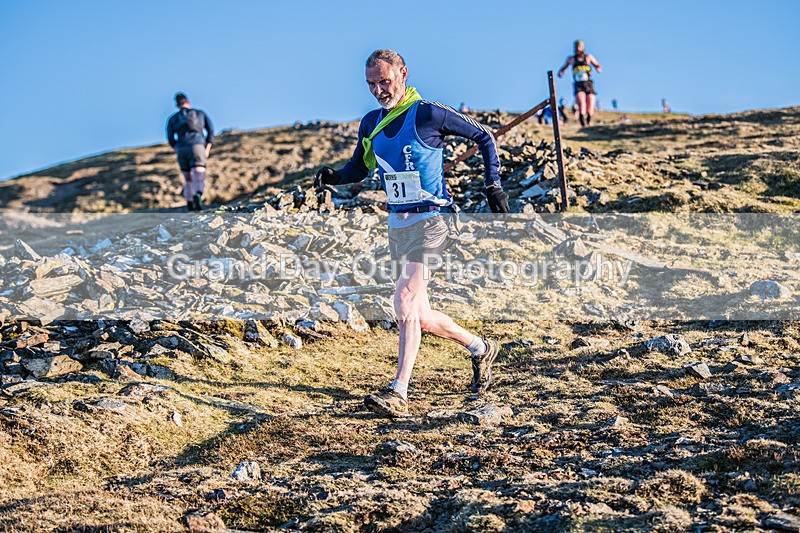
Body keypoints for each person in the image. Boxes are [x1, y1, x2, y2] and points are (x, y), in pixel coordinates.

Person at [314, 49, 509, 418]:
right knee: (418, 315)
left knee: (403, 299)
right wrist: (334, 177)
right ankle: (480, 347)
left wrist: (493, 185)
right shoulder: (371, 122)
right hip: (398, 223)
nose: (378, 90)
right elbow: (360, 166)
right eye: (371, 84)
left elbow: (484, 136)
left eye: (384, 82)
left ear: (403, 73)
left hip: (434, 220)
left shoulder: (427, 113)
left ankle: (398, 392)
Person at [166, 92, 214, 211]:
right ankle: (198, 195)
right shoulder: (200, 113)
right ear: (188, 102)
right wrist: (207, 147)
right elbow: (211, 130)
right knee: (198, 176)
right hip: (197, 146)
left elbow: (170, 138)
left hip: (182, 148)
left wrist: (176, 148)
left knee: (188, 179)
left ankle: (189, 203)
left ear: (177, 105)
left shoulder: (172, 118)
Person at [558, 40, 602, 127]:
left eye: (579, 46)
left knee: (590, 108)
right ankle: (583, 125)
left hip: (588, 84)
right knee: (582, 105)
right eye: (576, 46)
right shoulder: (571, 59)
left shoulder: (588, 57)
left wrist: (598, 68)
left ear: (583, 47)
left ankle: (588, 121)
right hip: (578, 85)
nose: (578, 48)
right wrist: (561, 72)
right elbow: (564, 67)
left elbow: (597, 65)